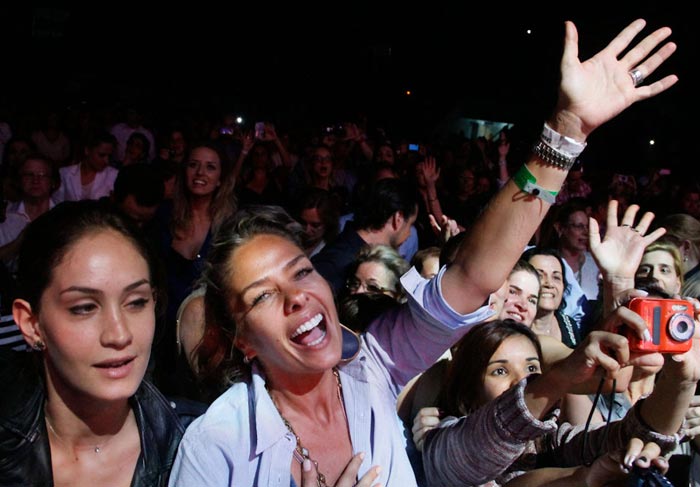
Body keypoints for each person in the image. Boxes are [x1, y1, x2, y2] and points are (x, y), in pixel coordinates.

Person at [169, 18, 679, 487]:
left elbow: (474, 277)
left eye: (301, 271)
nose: (297, 298)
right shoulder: (216, 447)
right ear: (243, 342)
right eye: (261, 297)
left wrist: (566, 131)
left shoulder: (373, 368)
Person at [0, 200, 188, 485]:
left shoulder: (194, 449)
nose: (119, 334)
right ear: (31, 324)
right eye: (84, 307)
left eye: (136, 302)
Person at [522, 247, 582, 347]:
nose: (549, 284)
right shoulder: (513, 327)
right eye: (539, 275)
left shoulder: (569, 325)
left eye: (556, 277)